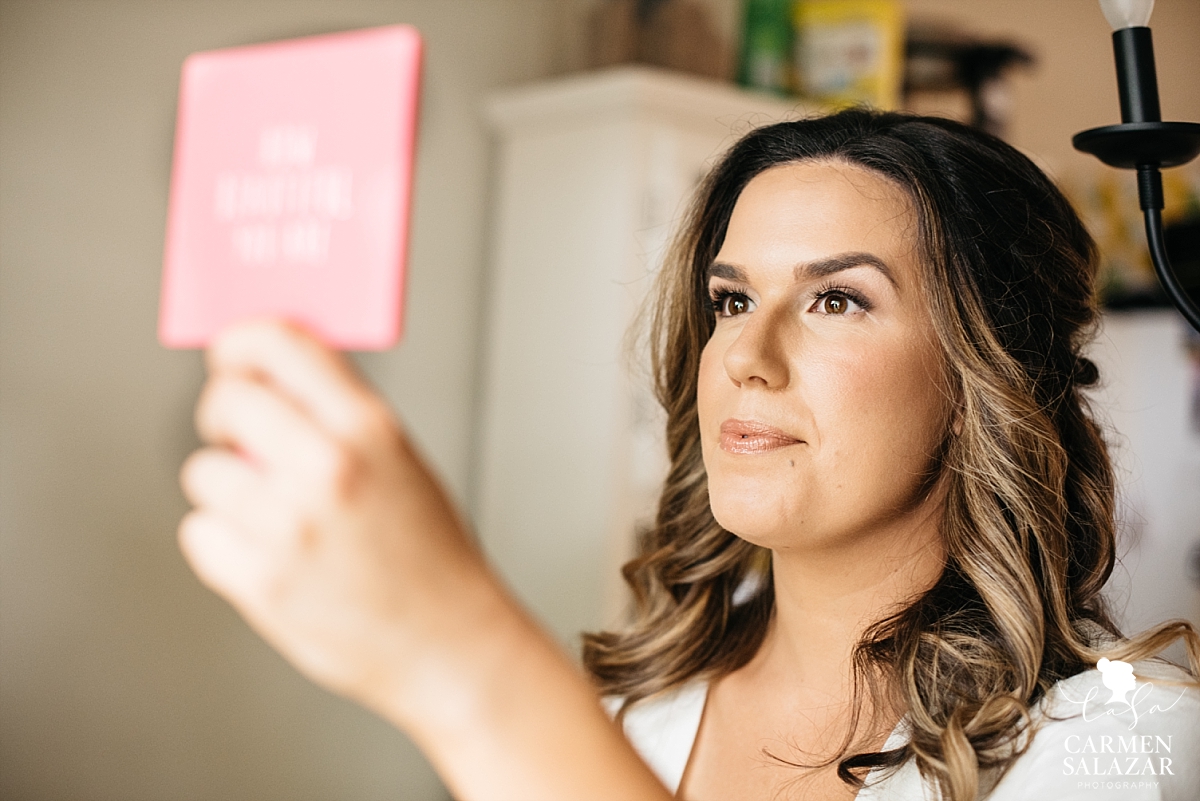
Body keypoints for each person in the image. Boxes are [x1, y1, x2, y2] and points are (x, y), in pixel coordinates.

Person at [178, 109, 1200, 801]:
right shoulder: (630, 713)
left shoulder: (1132, 749)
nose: (746, 359)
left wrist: (466, 664)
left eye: (836, 300)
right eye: (731, 300)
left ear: (990, 375)